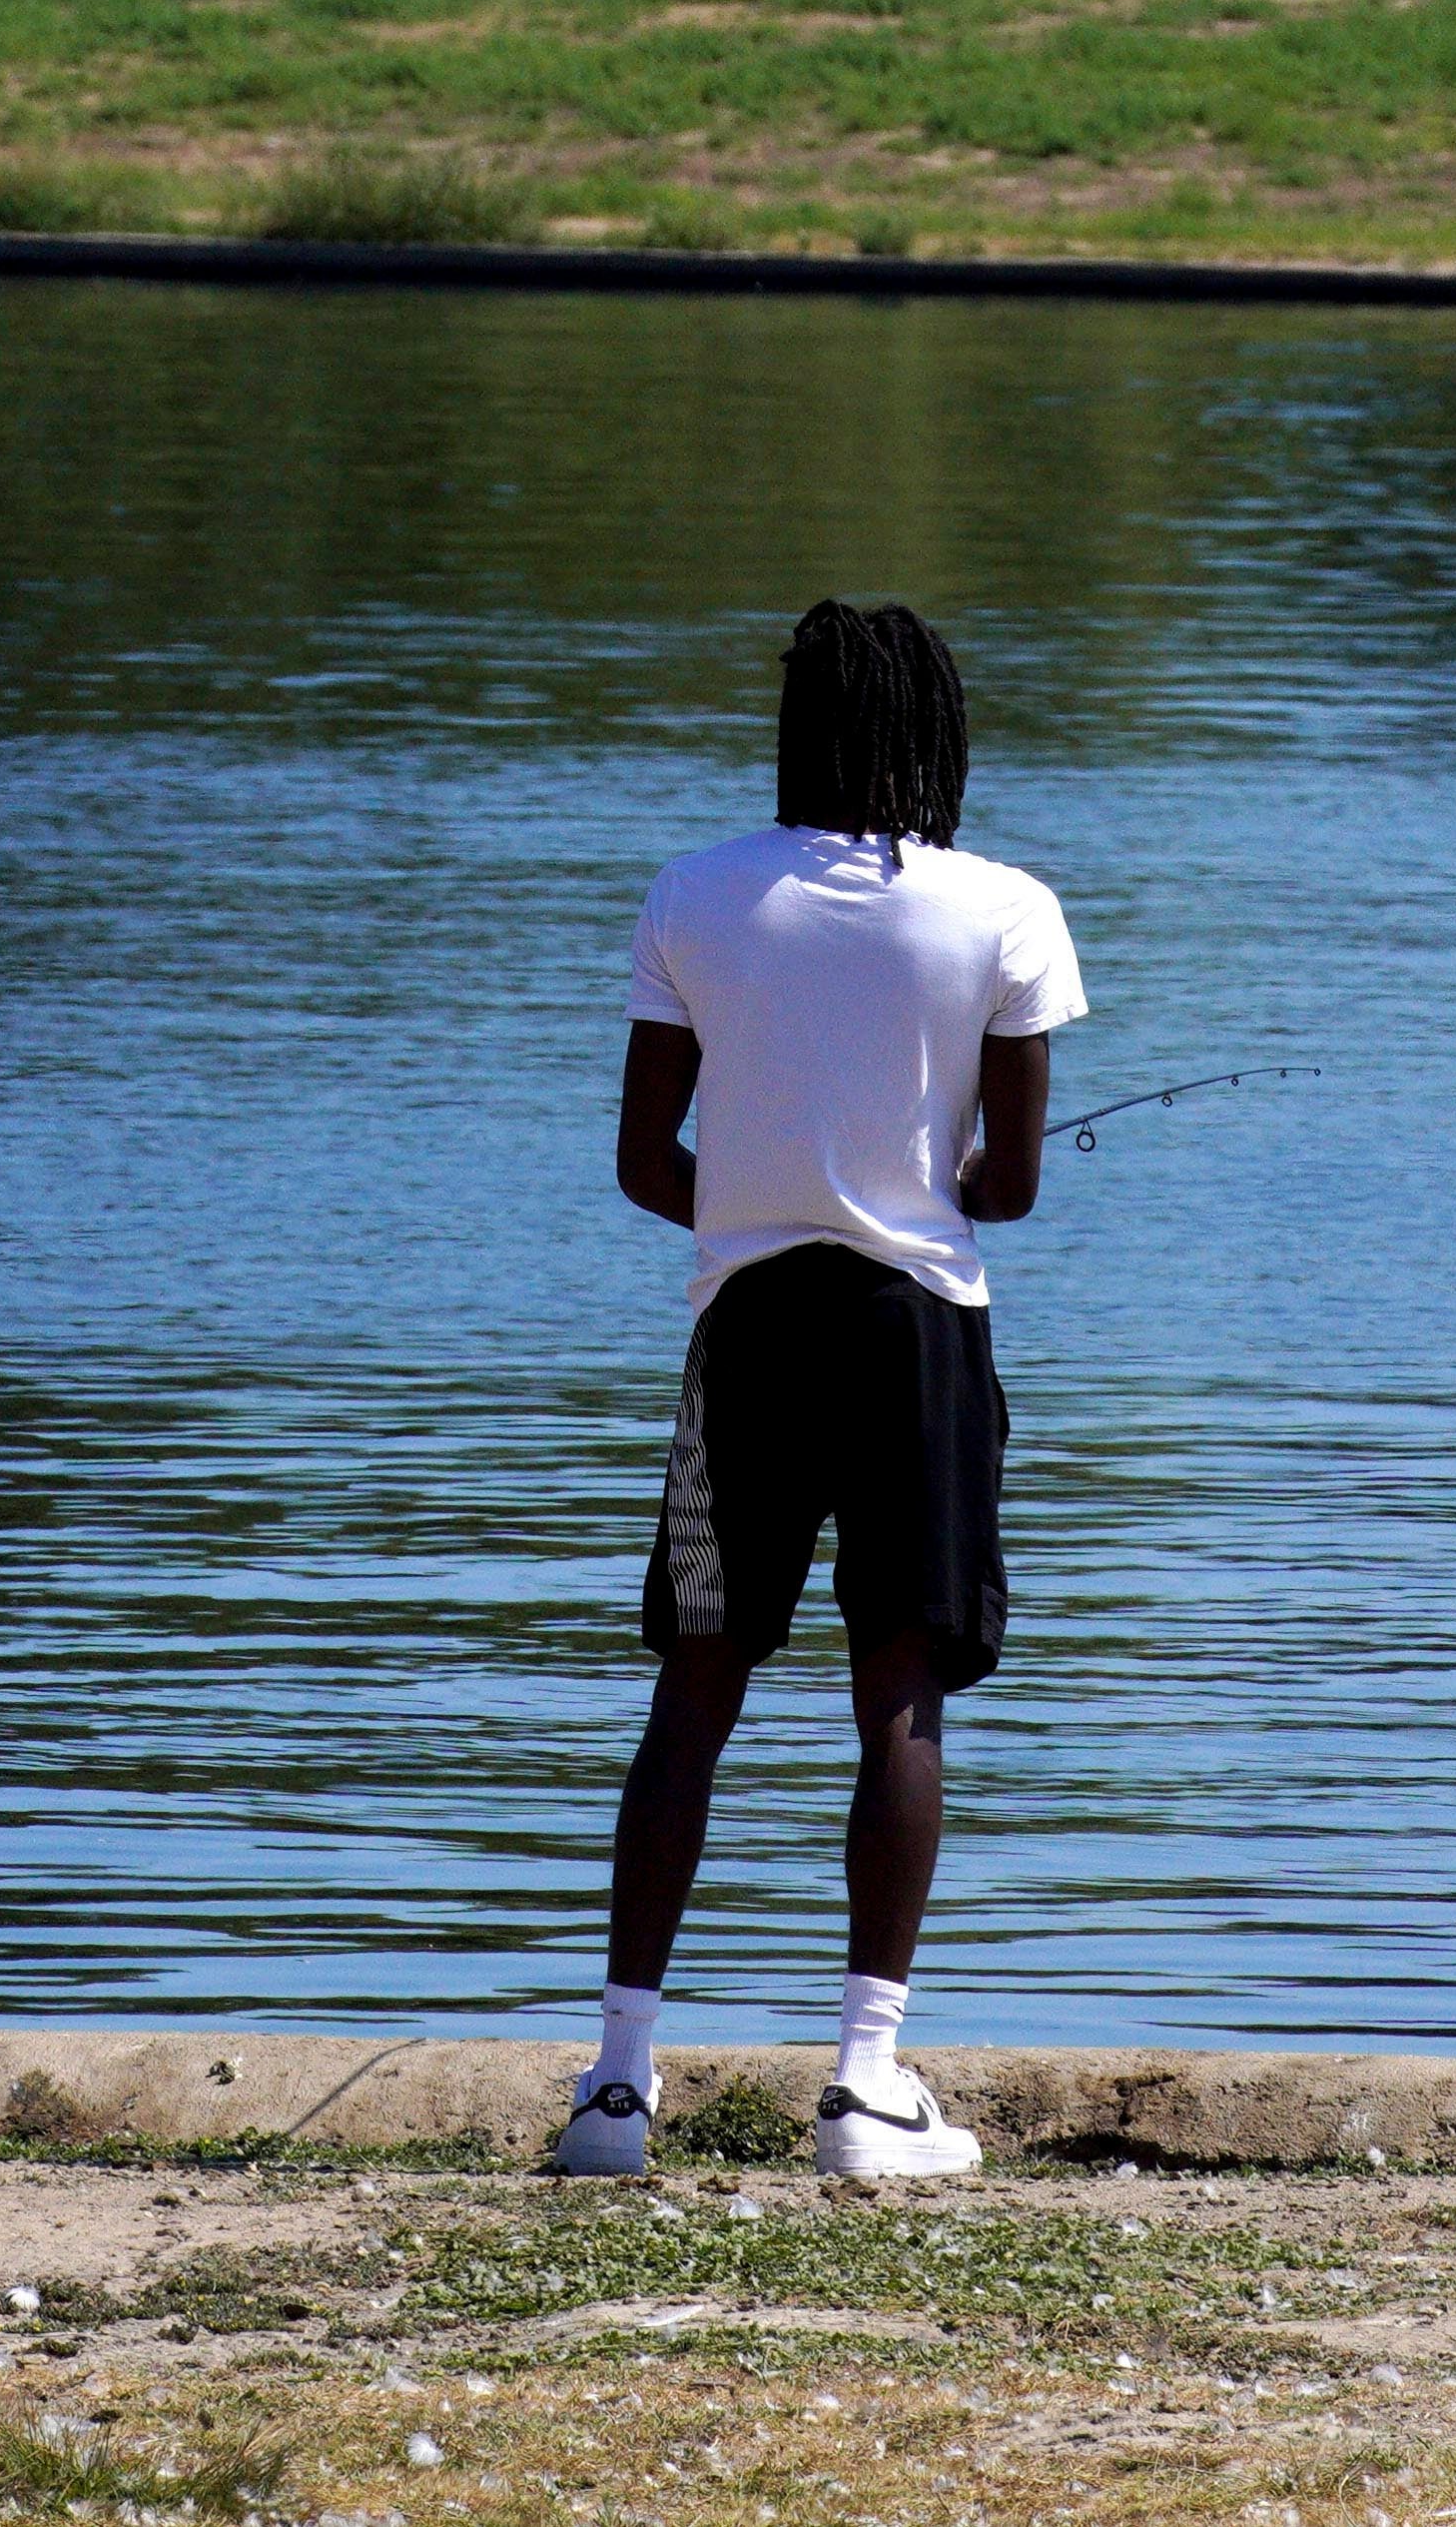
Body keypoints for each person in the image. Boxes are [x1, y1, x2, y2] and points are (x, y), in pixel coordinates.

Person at [562, 596, 1083, 2192]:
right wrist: (909, 1173)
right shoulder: (1004, 908)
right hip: (915, 1333)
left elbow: (648, 1161)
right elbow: (1003, 1188)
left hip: (747, 1329)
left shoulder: (694, 891)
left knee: (694, 1690)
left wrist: (761, 1200)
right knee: (899, 1694)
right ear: (935, 730)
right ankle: (866, 2085)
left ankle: (616, 2086)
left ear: (797, 726)